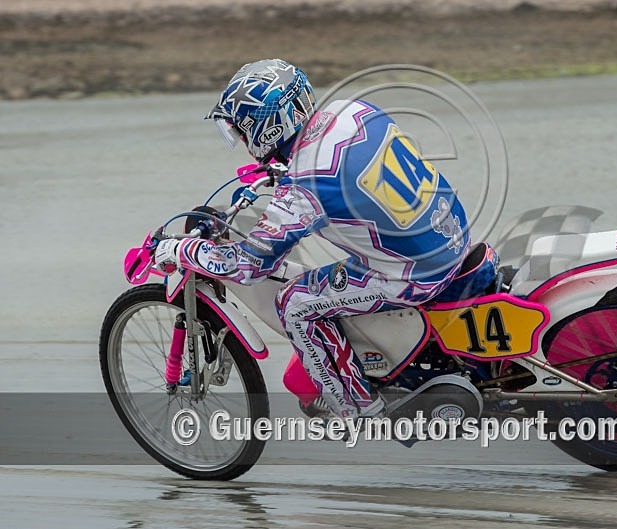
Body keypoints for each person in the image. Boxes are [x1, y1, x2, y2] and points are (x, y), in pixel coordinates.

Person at [154, 59, 470, 419]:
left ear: (266, 128)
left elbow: (249, 266)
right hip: (451, 232)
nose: (242, 140)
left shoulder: (303, 185)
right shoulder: (352, 111)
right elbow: (346, 170)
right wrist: (283, 173)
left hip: (416, 274)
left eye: (242, 131)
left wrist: (183, 249)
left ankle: (357, 409)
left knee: (294, 302)